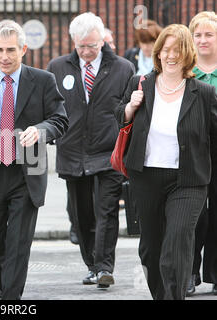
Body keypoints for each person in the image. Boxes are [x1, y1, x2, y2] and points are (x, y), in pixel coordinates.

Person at [0, 20, 67, 300]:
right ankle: (7, 286)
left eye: (10, 50)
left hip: (25, 173)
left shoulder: (43, 80)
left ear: (24, 50)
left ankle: (10, 299)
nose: (4, 57)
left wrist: (40, 130)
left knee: (18, 243)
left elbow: (60, 119)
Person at [115, 24, 217, 300]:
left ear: (188, 55)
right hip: (146, 177)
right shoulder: (141, 84)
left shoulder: (204, 94)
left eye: (178, 51)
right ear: (158, 53)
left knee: (177, 245)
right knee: (151, 250)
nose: (171, 56)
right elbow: (119, 118)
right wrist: (129, 108)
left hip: (189, 181)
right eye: (166, 50)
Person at [47, 12, 134, 289]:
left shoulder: (122, 68)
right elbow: (51, 107)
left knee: (106, 210)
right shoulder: (57, 67)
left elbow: (131, 109)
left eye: (92, 46)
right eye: (81, 46)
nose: (86, 52)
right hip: (72, 151)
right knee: (81, 214)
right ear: (73, 41)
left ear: (102, 40)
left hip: (109, 152)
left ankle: (105, 267)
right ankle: (92, 265)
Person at [187, 11, 217, 296]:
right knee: (191, 214)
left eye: (209, 34)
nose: (203, 40)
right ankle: (189, 272)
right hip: (190, 154)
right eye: (198, 35)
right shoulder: (184, 71)